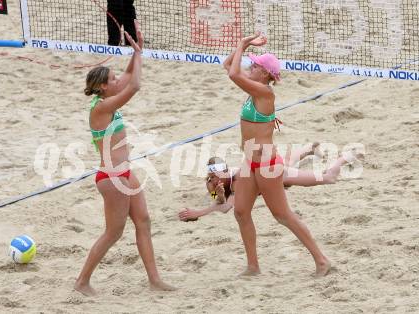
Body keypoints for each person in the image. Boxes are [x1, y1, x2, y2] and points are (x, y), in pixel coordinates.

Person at [74, 21, 175, 296]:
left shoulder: (108, 98)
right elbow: (135, 85)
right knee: (113, 233)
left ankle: (154, 280)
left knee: (143, 221)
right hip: (112, 178)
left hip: (125, 173)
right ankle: (82, 281)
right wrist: (139, 58)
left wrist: (137, 51)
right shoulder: (103, 107)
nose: (118, 81)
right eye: (113, 80)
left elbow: (129, 76)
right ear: (103, 88)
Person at [223, 32, 330, 277]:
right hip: (251, 160)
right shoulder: (253, 90)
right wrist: (244, 46)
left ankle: (322, 260)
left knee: (282, 215)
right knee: (240, 211)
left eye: (255, 64)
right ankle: (253, 266)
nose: (250, 65)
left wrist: (242, 43)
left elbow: (232, 72)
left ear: (265, 74)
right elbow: (229, 65)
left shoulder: (264, 93)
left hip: (267, 163)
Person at [178, 147, 363, 221]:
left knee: (327, 178)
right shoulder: (211, 184)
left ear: (226, 171)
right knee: (289, 165)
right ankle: (308, 149)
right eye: (214, 176)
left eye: (220, 174)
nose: (217, 179)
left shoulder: (238, 179)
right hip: (264, 178)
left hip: (275, 175)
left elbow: (226, 207)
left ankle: (343, 159)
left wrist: (197, 213)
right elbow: (220, 200)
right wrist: (218, 195)